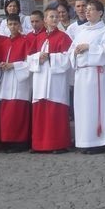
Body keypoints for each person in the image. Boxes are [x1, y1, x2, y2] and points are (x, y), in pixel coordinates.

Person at [70, 0, 105, 153]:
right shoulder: (81, 31)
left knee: (96, 108)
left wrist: (89, 47)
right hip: (82, 74)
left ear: (100, 13)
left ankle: (99, 141)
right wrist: (74, 53)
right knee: (83, 109)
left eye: (91, 9)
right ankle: (85, 141)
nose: (87, 12)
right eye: (86, 10)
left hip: (97, 74)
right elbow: (71, 50)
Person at [28, 9, 73, 153]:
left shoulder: (64, 37)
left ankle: (57, 144)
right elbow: (28, 58)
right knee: (40, 111)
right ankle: (39, 144)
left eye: (56, 17)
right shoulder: (39, 37)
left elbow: (68, 59)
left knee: (55, 112)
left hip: (55, 81)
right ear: (45, 20)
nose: (54, 19)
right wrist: (37, 57)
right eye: (51, 17)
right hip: (40, 79)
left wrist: (50, 57)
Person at [0, 14, 32, 151]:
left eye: (15, 24)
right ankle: (6, 141)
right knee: (6, 112)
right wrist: (2, 64)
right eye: (10, 24)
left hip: (19, 80)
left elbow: (29, 62)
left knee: (18, 111)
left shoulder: (25, 41)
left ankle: (20, 142)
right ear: (7, 26)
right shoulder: (4, 42)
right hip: (6, 80)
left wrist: (13, 65)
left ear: (20, 25)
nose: (13, 27)